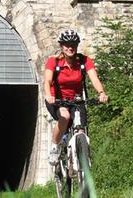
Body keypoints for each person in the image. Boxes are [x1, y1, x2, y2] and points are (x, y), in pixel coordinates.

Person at [43, 29, 108, 165]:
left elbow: (94, 79)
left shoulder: (84, 61)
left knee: (81, 127)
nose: (70, 47)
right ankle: (55, 147)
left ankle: (81, 158)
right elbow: (47, 81)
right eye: (67, 45)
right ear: (61, 46)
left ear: (77, 45)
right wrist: (49, 95)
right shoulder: (53, 62)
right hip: (57, 100)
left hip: (76, 100)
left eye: (73, 44)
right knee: (65, 117)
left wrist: (101, 92)